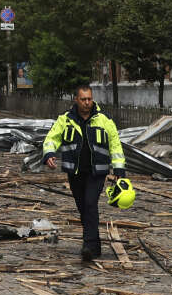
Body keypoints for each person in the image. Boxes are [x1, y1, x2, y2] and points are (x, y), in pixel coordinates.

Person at [42, 85, 126, 261]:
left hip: (97, 172)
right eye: (83, 99)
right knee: (83, 208)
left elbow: (115, 145)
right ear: (76, 100)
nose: (87, 103)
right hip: (75, 172)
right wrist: (49, 154)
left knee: (90, 204)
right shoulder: (66, 120)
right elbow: (52, 138)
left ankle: (89, 245)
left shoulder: (104, 120)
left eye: (89, 99)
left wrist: (119, 168)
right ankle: (94, 245)